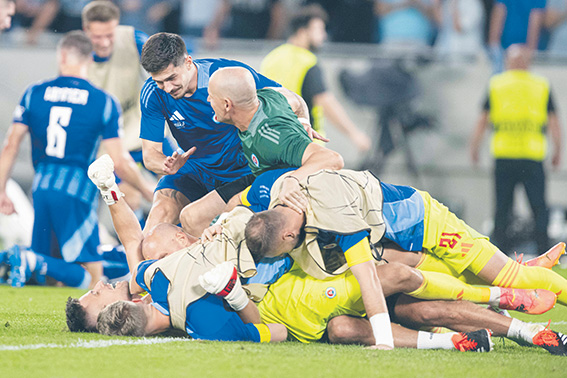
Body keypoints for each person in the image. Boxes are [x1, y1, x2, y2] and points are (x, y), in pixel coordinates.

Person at [76, 156, 566, 354]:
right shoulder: (188, 305)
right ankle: (514, 326)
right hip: (312, 286)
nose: (101, 285)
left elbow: (325, 160)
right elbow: (272, 331)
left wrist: (112, 193)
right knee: (374, 312)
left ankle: (506, 293)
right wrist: (231, 294)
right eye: (99, 296)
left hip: (414, 219)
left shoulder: (266, 214)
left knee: (395, 275)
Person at [244, 167, 567, 312]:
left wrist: (383, 340)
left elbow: (329, 158)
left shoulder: (327, 207)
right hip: (396, 243)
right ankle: (517, 271)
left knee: (509, 277)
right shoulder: (266, 195)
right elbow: (235, 202)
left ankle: (523, 274)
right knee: (459, 276)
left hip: (425, 222)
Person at [0, 31, 153, 289]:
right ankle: (28, 258)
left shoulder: (34, 92)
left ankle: (28, 260)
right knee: (94, 280)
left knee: (50, 275)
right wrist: (150, 191)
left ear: (61, 56)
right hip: (76, 190)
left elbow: (11, 145)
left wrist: (2, 188)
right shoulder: (103, 101)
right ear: (90, 60)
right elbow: (119, 159)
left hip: (42, 186)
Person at [137, 32, 283, 238]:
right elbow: (150, 155)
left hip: (240, 172)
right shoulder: (153, 93)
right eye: (160, 82)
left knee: (197, 222)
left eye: (171, 78)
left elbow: (283, 96)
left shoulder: (224, 74)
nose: (167, 88)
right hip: (195, 167)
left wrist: (302, 120)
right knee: (152, 232)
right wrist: (165, 164)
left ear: (188, 62)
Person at [470, 44, 562, 256]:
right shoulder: (541, 85)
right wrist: (558, 150)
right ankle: (544, 252)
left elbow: (482, 120)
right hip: (532, 155)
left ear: (508, 62)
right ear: (528, 63)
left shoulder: (497, 84)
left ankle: (499, 257)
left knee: (502, 209)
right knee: (539, 208)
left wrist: (475, 148)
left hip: (505, 155)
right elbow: (554, 121)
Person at [260, 5, 371, 152]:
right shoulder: (308, 62)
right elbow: (325, 100)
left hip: (272, 143)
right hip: (305, 145)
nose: (323, 36)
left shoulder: (271, 58)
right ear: (302, 32)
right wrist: (354, 134)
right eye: (318, 30)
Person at [82, 1, 158, 213]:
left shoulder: (133, 38)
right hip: (108, 145)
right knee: (130, 199)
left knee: (182, 179)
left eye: (110, 34)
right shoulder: (78, 59)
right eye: (98, 36)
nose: (105, 42)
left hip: (142, 133)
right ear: (85, 30)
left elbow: (164, 65)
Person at [487, 0, 546, 73]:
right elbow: (535, 19)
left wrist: (494, 46)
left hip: (512, 47)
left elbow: (499, 12)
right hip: (512, 48)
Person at [203, 0, 286, 49]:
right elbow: (224, 7)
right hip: (236, 40)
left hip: (260, 41)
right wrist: (213, 29)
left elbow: (277, 15)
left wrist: (271, 41)